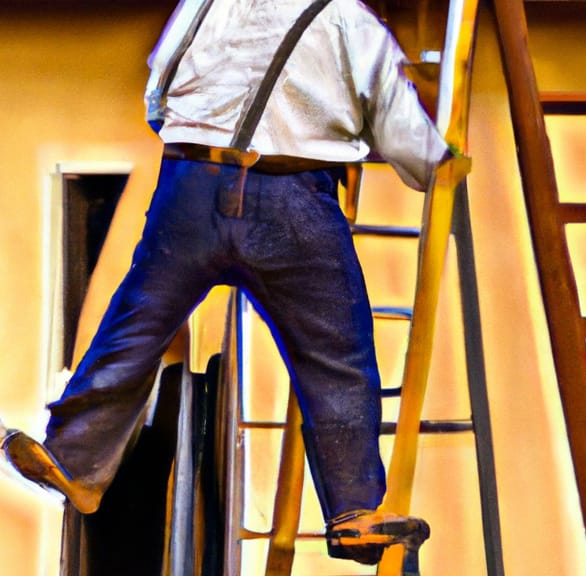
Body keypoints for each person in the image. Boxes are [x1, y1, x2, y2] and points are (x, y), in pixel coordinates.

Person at [1, 0, 463, 564]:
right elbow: (401, 129)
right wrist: (443, 164)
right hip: (292, 196)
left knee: (136, 322)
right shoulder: (349, 19)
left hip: (190, 184)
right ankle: (355, 511)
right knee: (335, 353)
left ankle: (74, 458)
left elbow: (159, 89)